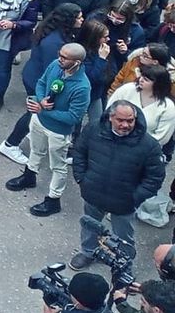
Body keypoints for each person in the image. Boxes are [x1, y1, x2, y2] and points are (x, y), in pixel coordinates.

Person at [67, 99, 166, 269]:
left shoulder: (149, 145)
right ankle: (88, 252)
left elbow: (155, 178)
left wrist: (135, 197)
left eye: (130, 120)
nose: (125, 125)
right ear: (110, 117)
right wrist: (82, 179)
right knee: (90, 225)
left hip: (124, 201)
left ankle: (123, 262)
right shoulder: (93, 130)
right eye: (121, 120)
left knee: (124, 236)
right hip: (93, 193)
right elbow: (80, 154)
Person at [6, 42, 92, 217]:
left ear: (77, 62)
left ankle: (53, 199)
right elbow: (41, 82)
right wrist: (39, 99)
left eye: (64, 57)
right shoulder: (55, 65)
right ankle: (29, 176)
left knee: (58, 166)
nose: (59, 59)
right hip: (39, 120)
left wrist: (43, 110)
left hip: (58, 131)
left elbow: (74, 117)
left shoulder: (82, 87)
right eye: (60, 54)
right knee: (36, 151)